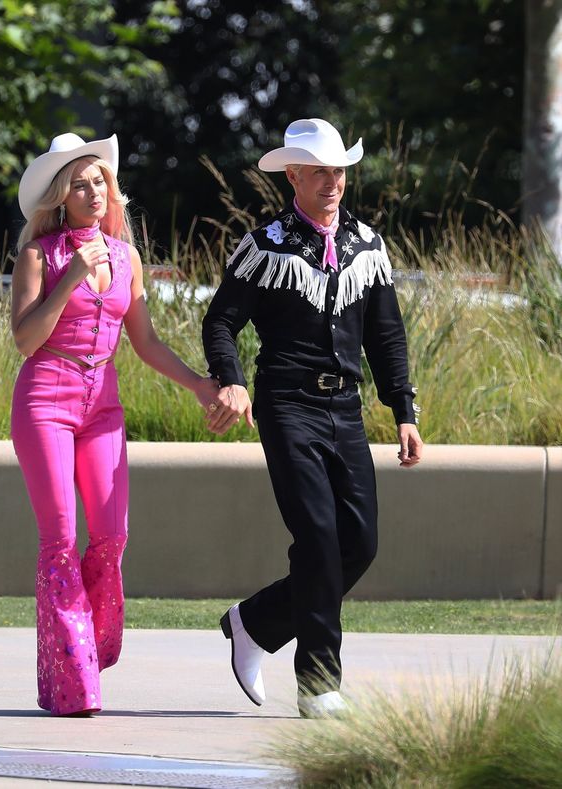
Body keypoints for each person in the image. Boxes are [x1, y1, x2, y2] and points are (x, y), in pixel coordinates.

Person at [202, 119, 423, 718]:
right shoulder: (266, 244)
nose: (332, 182)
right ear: (293, 176)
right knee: (319, 538)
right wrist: (233, 382)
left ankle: (255, 622)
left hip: (344, 410)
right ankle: (319, 683)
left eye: (339, 171)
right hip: (287, 406)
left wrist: (403, 410)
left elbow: (387, 337)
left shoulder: (367, 246)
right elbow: (220, 322)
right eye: (320, 171)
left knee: (360, 542)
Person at [11, 131, 218, 716]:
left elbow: (146, 342)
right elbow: (26, 341)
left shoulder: (127, 257)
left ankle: (84, 654)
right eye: (80, 182)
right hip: (45, 400)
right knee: (60, 540)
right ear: (60, 196)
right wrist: (70, 277)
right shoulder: (38, 256)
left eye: (99, 179)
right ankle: (72, 685)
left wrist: (200, 385)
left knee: (111, 534)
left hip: (102, 407)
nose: (93, 189)